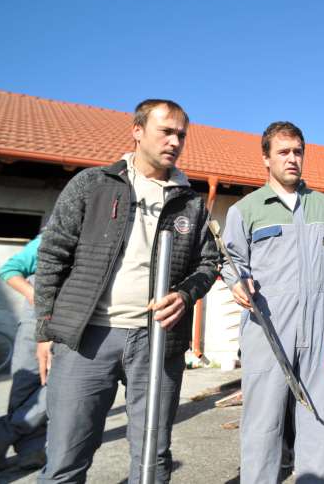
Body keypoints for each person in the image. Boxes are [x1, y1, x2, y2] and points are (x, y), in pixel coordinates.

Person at [33, 99, 221, 483]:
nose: (175, 141)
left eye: (181, 135)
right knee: (67, 456)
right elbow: (52, 257)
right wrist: (44, 331)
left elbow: (208, 264)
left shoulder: (190, 202)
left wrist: (184, 295)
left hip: (157, 343)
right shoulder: (93, 184)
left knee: (152, 460)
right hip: (88, 338)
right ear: (137, 131)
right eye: (165, 131)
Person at [221, 121, 324, 483]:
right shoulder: (246, 210)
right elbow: (231, 262)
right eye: (283, 152)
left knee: (318, 416)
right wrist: (237, 283)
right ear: (266, 158)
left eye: (297, 152)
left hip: (321, 326)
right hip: (268, 327)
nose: (292, 159)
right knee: (263, 420)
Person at [0, 235, 46, 470]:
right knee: (26, 385)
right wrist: (35, 296)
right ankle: (30, 450)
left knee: (59, 385)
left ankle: (7, 429)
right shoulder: (50, 237)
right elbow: (9, 270)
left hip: (69, 323)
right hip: (36, 320)